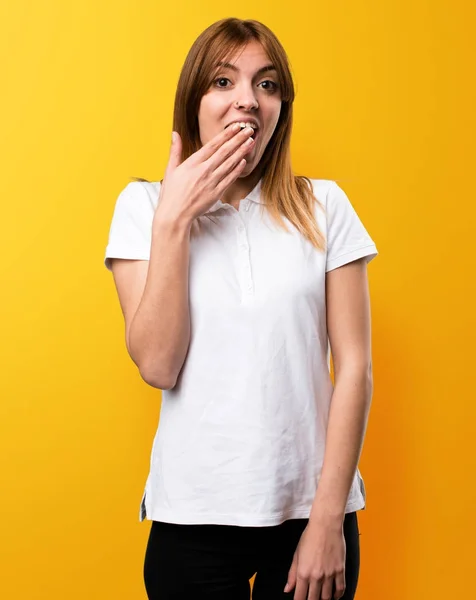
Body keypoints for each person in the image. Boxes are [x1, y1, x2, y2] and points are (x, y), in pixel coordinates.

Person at [104, 17, 378, 600]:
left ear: (281, 106)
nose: (248, 102)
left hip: (311, 514)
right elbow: (157, 364)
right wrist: (175, 220)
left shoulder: (323, 206)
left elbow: (354, 367)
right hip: (192, 517)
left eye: (268, 84)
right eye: (223, 82)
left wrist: (328, 521)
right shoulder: (143, 207)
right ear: (193, 100)